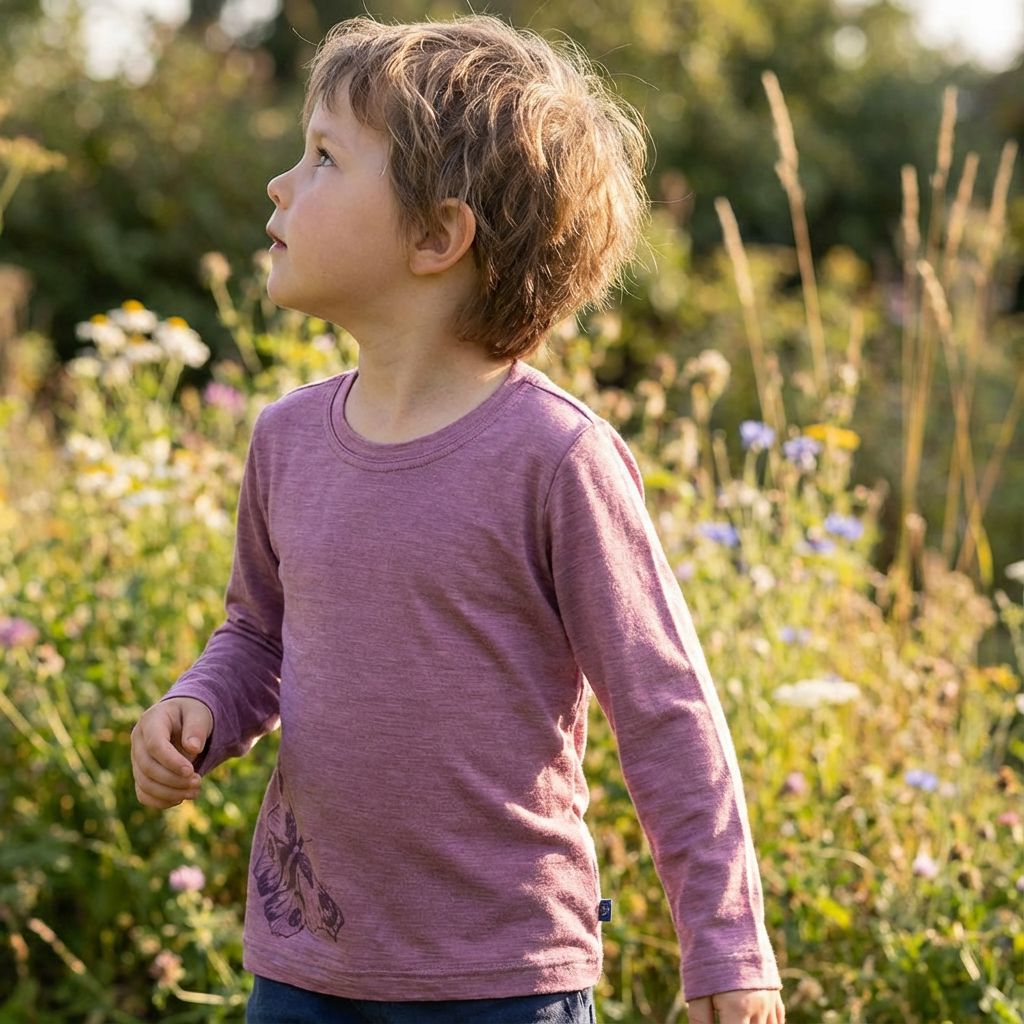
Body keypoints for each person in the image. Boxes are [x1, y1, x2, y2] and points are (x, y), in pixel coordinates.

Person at [130, 15, 785, 1024]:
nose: (278, 185)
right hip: (303, 968)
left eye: (321, 157)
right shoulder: (287, 440)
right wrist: (202, 706)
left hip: (501, 981)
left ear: (436, 234)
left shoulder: (555, 459)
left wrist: (727, 946)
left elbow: (665, 712)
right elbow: (257, 636)